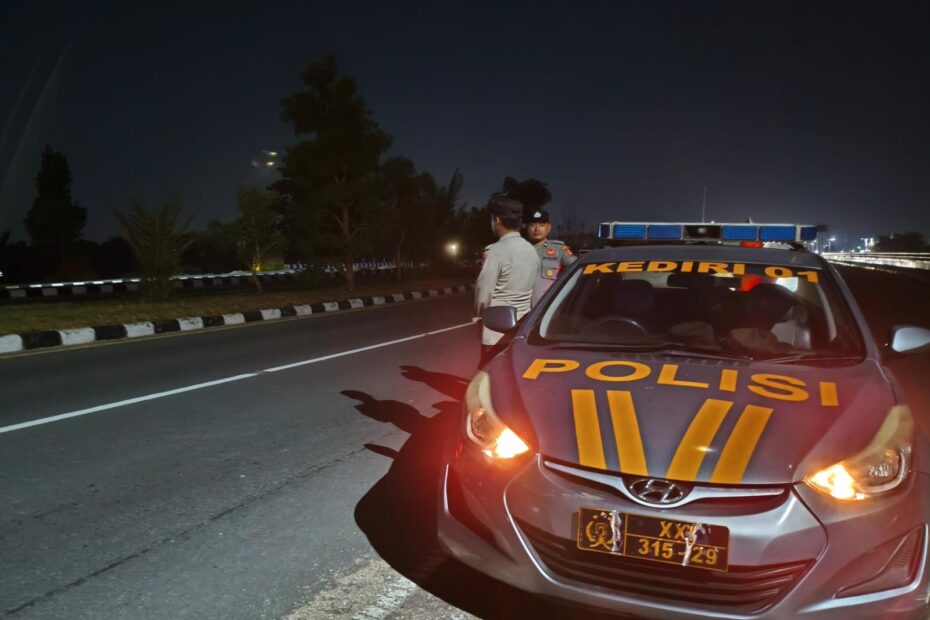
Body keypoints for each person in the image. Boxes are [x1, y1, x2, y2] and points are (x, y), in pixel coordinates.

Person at [474, 197, 540, 366]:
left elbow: (483, 291)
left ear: (497, 220)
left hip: (495, 330)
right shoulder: (531, 250)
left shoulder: (495, 251)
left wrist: (479, 317)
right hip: (522, 326)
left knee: (488, 377)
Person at [526, 208, 576, 303]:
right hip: (522, 310)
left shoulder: (558, 249)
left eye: (542, 225)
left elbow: (575, 267)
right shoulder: (520, 249)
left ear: (549, 228)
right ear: (527, 228)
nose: (537, 229)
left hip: (547, 308)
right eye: (532, 225)